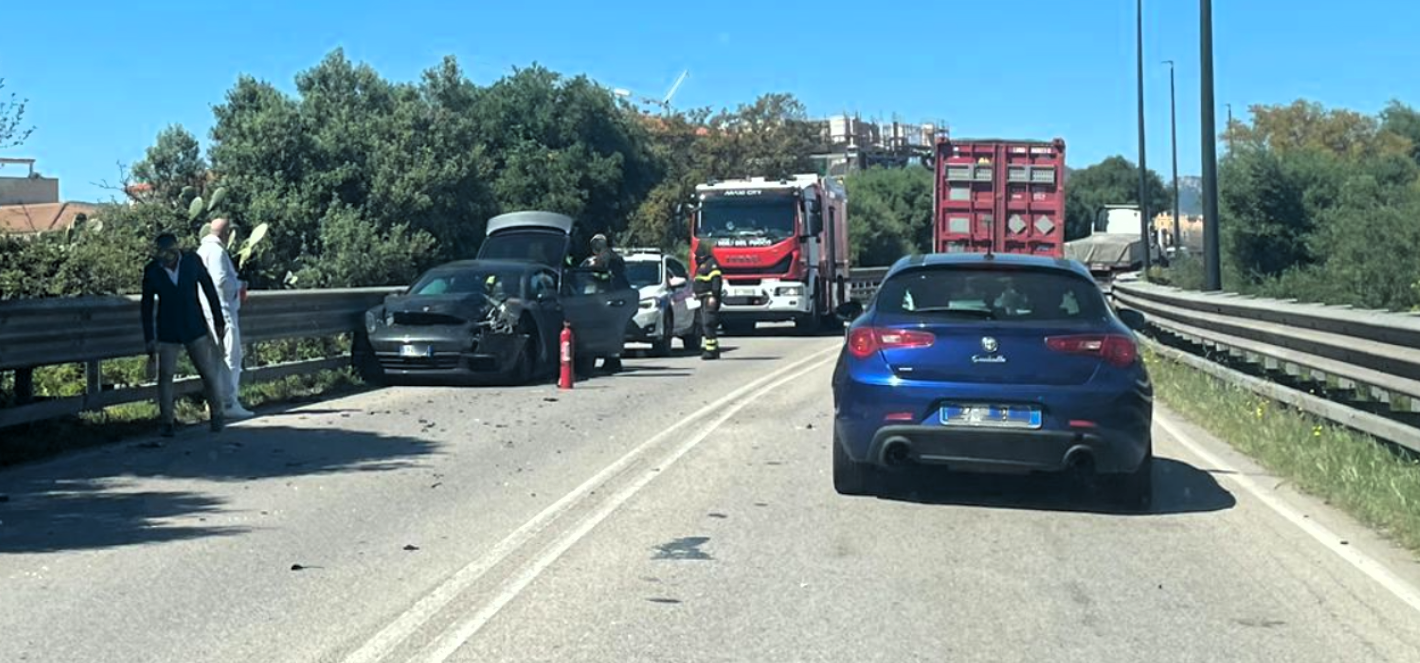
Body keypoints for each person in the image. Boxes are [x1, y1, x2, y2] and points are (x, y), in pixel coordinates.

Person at [141, 232, 228, 437]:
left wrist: (218, 321)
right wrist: (149, 338)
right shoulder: (152, 270)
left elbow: (209, 289)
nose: (168, 261)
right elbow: (145, 307)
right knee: (165, 376)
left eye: (171, 255)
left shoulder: (191, 262)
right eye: (163, 256)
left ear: (176, 250)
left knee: (206, 372)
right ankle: (167, 421)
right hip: (167, 330)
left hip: (194, 326)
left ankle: (217, 413)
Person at [196, 218, 254, 419]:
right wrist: (238, 287)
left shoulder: (201, 251)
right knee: (231, 356)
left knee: (214, 359)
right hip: (223, 310)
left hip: (206, 310)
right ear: (225, 233)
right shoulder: (218, 252)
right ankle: (229, 401)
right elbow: (221, 281)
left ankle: (214, 400)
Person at [692, 242, 724, 360]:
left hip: (709, 298)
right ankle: (714, 349)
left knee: (708, 323)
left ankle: (710, 351)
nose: (696, 256)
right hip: (702, 298)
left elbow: (716, 282)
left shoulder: (711, 264)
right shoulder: (702, 265)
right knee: (704, 324)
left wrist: (713, 296)